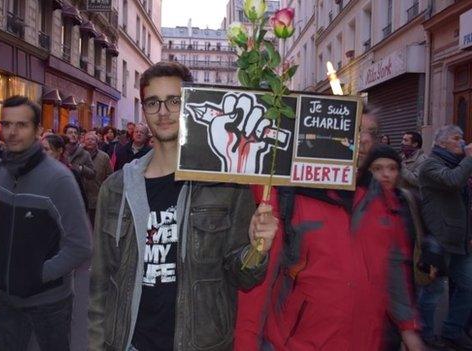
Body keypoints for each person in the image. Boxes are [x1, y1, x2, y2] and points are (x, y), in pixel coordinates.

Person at [88, 61, 270, 351]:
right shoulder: (116, 187)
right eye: (153, 103)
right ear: (144, 110)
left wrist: (258, 247)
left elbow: (243, 277)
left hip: (201, 343)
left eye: (174, 100)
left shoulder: (224, 184)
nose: (163, 112)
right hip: (129, 344)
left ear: (189, 104)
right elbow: (99, 281)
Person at [235, 116, 424, 351]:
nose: (364, 139)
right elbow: (259, 281)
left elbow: (394, 269)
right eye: (354, 129)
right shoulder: (293, 195)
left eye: (371, 132)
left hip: (365, 341)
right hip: (297, 343)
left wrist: (409, 329)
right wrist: (247, 343)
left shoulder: (384, 200)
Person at [0, 96, 92, 351]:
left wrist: (37, 274)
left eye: (21, 125)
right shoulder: (3, 170)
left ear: (38, 131)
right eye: (6, 124)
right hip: (8, 297)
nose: (12, 132)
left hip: (49, 302)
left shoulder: (59, 179)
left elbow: (80, 246)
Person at [417, 125, 472, 349]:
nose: (461, 142)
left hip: (459, 239)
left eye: (462, 138)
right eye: (455, 138)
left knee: (469, 286)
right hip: (440, 237)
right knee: (433, 290)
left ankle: (452, 330)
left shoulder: (457, 164)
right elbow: (452, 181)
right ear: (441, 143)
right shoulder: (431, 165)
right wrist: (469, 160)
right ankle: (423, 333)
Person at [42, 134, 89, 209]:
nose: (42, 152)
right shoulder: (37, 172)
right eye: (41, 149)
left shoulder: (71, 173)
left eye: (46, 149)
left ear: (59, 150)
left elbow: (82, 203)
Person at [81, 131, 113, 224]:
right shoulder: (78, 155)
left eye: (92, 139)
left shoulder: (104, 157)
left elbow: (110, 176)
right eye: (87, 139)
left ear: (97, 142)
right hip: (80, 198)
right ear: (83, 141)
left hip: (97, 198)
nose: (90, 141)